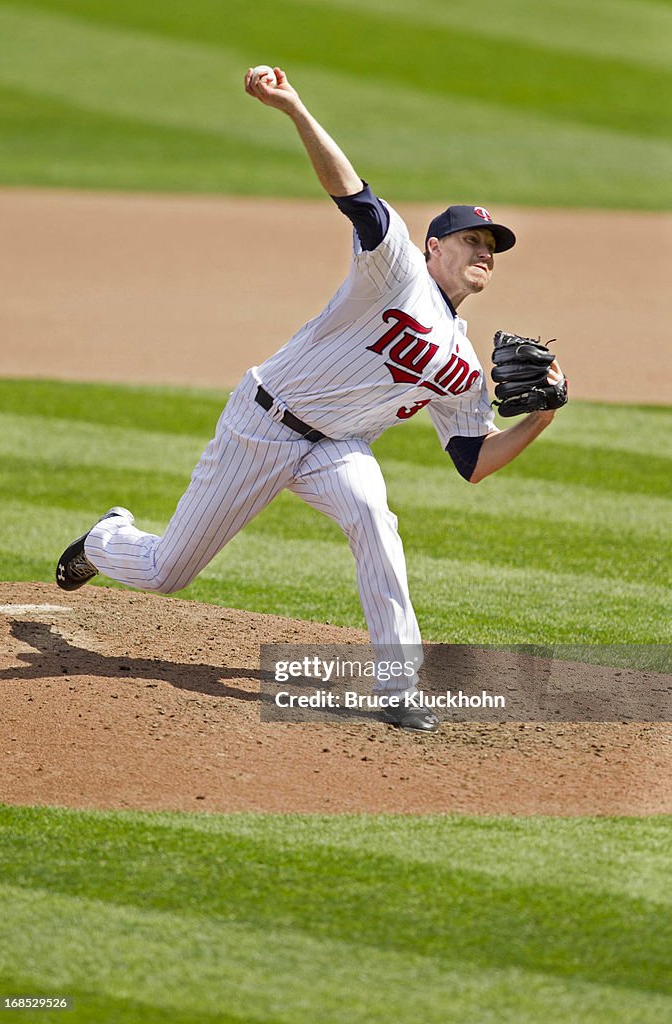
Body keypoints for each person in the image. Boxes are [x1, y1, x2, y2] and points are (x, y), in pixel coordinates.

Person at [56, 66, 566, 733]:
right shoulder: (397, 268)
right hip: (261, 424)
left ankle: (397, 685)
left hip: (335, 449)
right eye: (472, 240)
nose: (484, 254)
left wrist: (542, 417)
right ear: (434, 246)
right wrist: (293, 107)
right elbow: (352, 194)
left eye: (492, 249)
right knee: (166, 571)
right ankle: (106, 537)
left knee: (372, 517)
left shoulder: (463, 368)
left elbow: (471, 460)